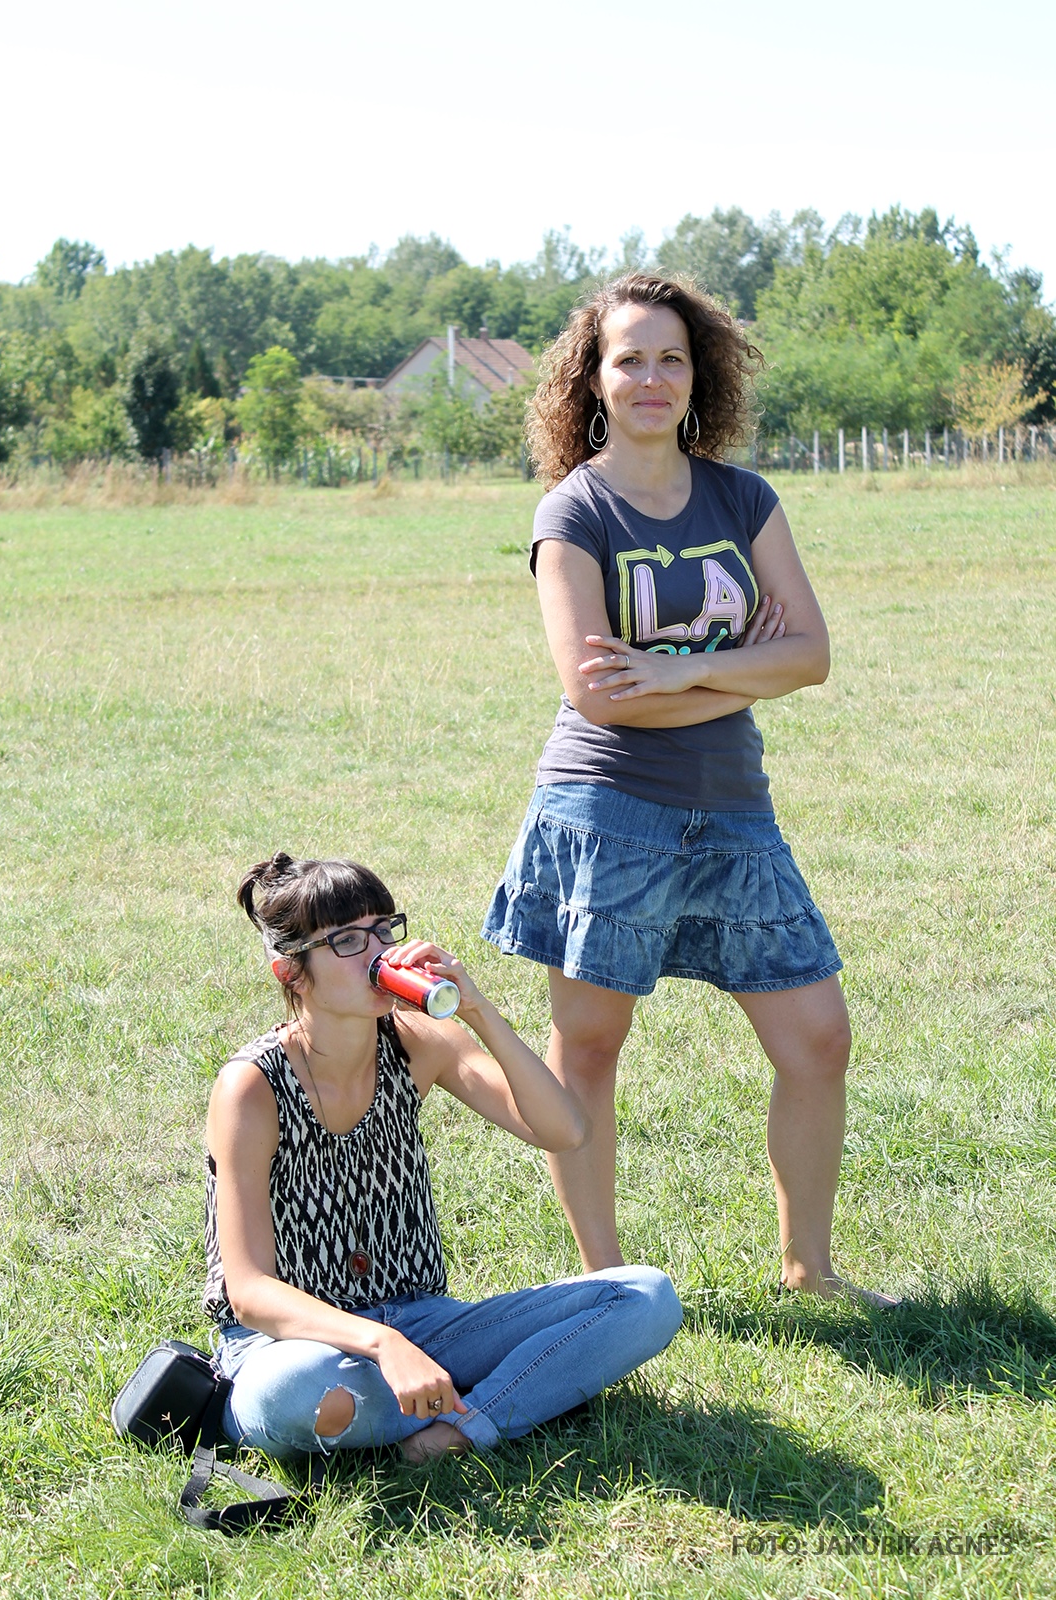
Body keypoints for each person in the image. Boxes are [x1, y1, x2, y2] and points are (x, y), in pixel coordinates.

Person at [483, 272, 892, 1304]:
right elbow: (595, 694)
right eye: (629, 359)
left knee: (817, 1039)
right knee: (590, 1046)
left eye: (670, 358)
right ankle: (603, 1286)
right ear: (593, 378)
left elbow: (809, 654)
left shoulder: (741, 498)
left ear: (697, 373)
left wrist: (671, 674)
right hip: (607, 807)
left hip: (733, 805)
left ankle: (808, 1269)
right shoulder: (573, 511)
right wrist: (736, 670)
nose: (651, 378)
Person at [202, 851, 683, 1463]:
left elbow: (563, 1130)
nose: (378, 952)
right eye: (346, 940)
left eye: (384, 929)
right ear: (291, 972)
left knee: (645, 1295)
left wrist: (476, 1008)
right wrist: (382, 1345)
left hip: (425, 1324)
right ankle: (512, 1390)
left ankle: (460, 1427)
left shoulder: (419, 1042)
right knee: (301, 1389)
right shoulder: (251, 1086)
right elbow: (248, 1292)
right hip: (291, 1345)